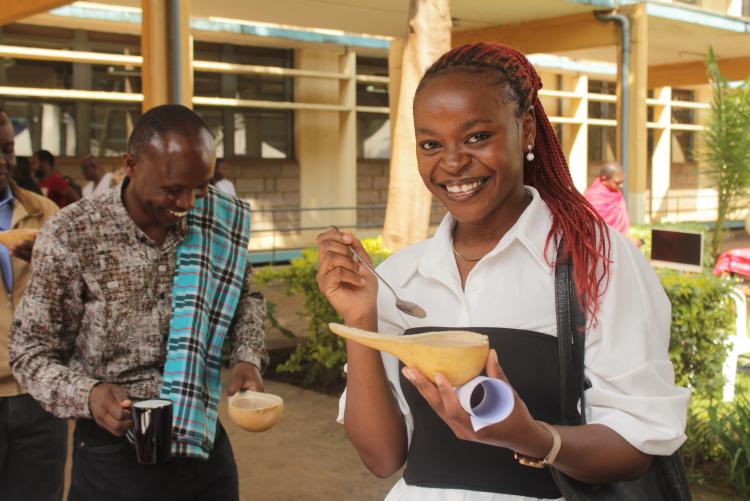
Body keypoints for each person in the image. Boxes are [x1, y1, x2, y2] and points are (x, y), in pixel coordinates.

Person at [316, 43, 689, 500]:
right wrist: (361, 321)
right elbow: (383, 458)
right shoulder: (401, 277)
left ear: (526, 129)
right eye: (431, 143)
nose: (452, 162)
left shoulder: (594, 260)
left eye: (476, 137)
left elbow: (637, 444)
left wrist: (531, 437)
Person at [10, 104, 268, 501]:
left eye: (200, 187)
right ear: (130, 165)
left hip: (201, 443)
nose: (188, 204)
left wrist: (247, 355)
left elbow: (245, 296)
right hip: (112, 455)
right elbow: (29, 353)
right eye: (173, 189)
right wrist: (90, 394)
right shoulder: (73, 234)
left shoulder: (215, 219)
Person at [0, 110, 65, 501]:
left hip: (40, 397)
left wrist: (57, 264)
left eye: (7, 149)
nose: (3, 159)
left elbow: (78, 297)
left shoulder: (45, 213)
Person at [583, 162, 641, 247]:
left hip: (620, 244)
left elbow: (622, 224)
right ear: (604, 179)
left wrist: (627, 239)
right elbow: (594, 228)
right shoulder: (593, 196)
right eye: (617, 183)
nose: (621, 186)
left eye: (622, 182)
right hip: (601, 246)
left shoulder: (617, 195)